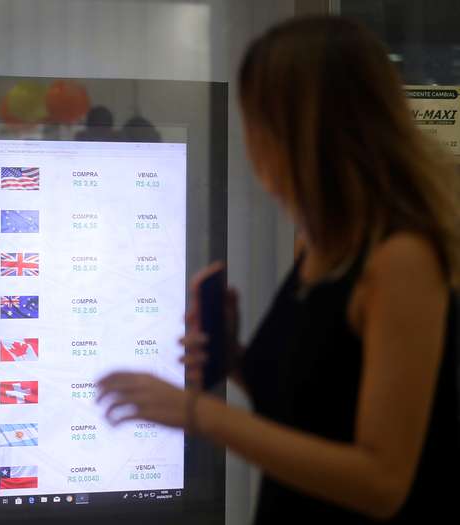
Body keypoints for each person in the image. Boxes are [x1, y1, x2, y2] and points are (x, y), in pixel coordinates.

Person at [97, 16, 459, 524]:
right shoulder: (325, 248)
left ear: (302, 131)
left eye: (257, 122)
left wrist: (197, 413)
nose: (252, 146)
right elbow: (319, 405)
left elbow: (382, 482)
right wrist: (236, 358)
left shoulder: (400, 260)